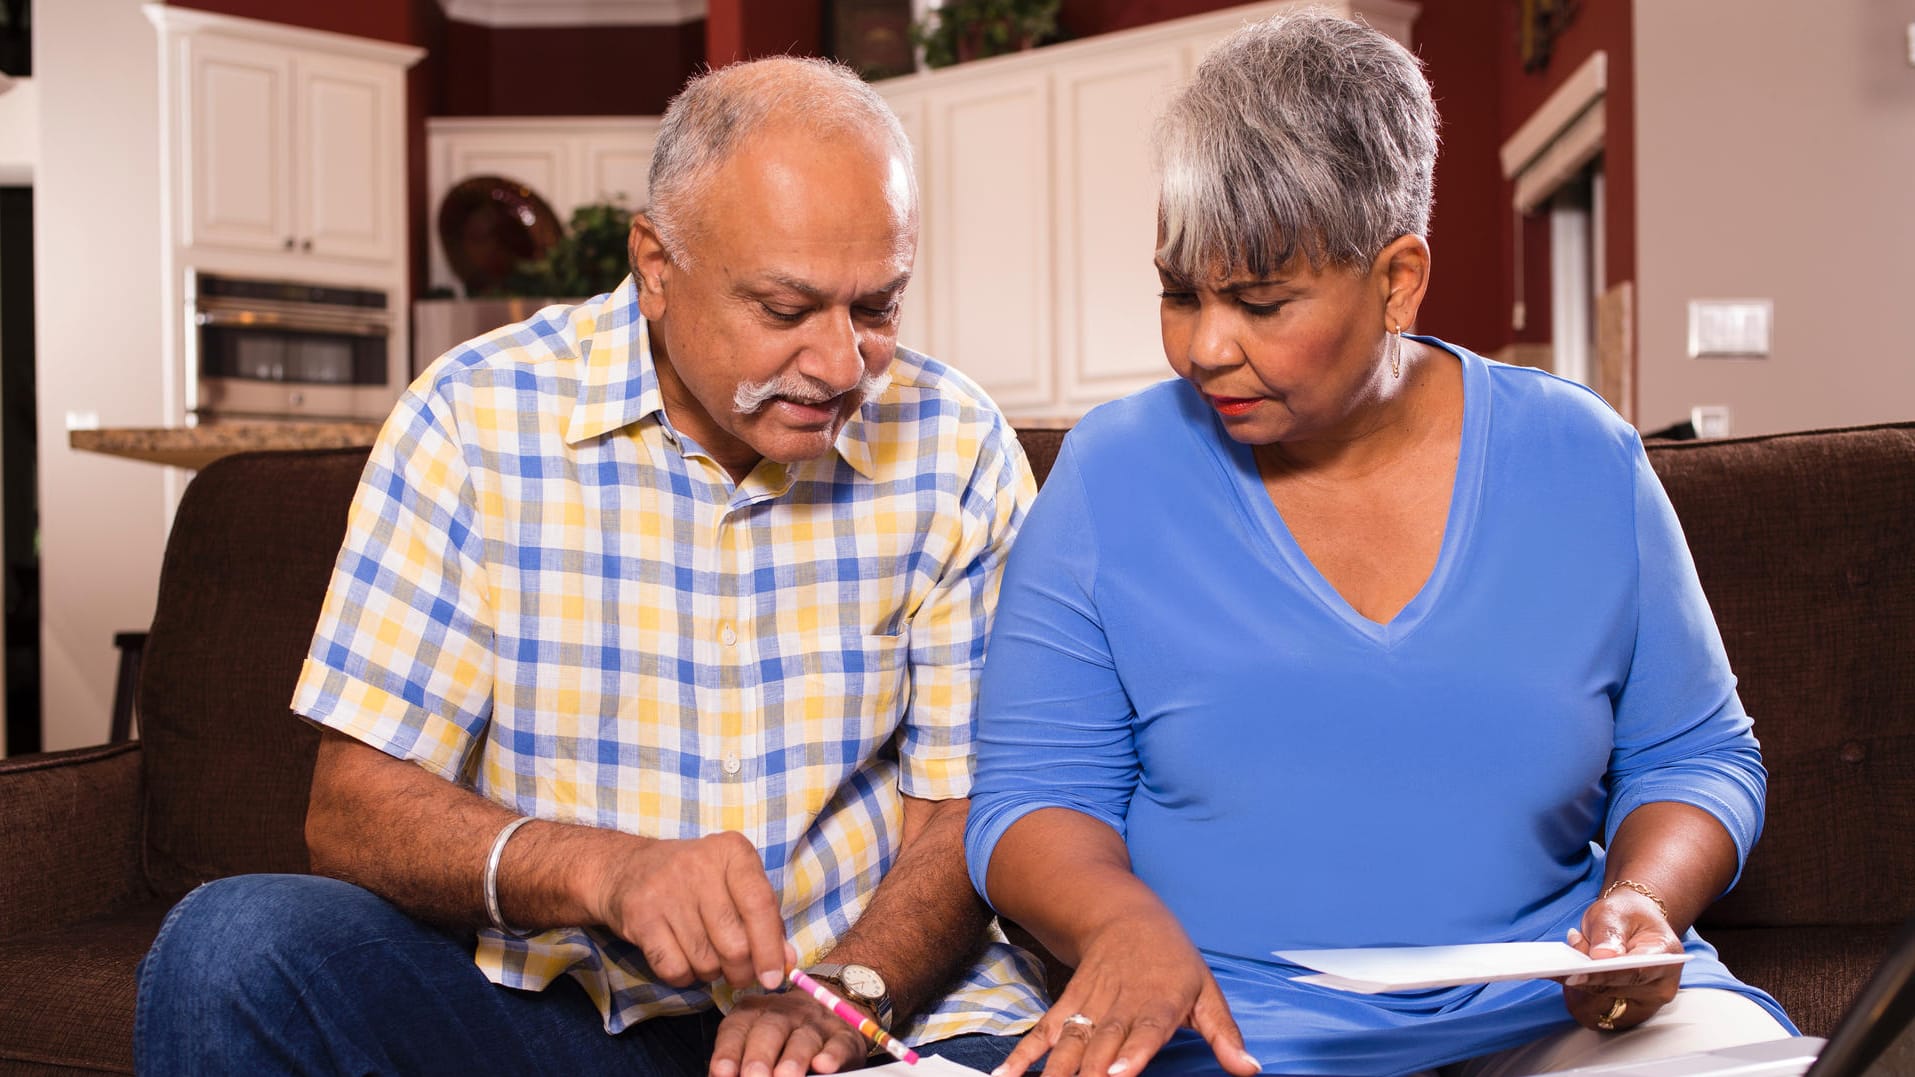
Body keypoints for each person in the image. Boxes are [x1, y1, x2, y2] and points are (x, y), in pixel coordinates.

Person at [134, 56, 1046, 1076]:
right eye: (786, 311)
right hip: (553, 1014)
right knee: (233, 947)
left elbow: (964, 814)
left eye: (876, 307)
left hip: (876, 1018)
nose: (840, 366)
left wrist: (847, 995)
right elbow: (353, 810)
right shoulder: (471, 418)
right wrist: (604, 874)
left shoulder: (955, 446)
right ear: (657, 265)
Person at [963, 13, 1796, 1077]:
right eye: (1180, 293)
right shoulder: (1109, 475)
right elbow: (1032, 799)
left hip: (1560, 1015)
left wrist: (1639, 902)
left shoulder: (1582, 457)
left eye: (1261, 303)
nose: (1205, 346)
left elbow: (1696, 755)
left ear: (1397, 279)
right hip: (1229, 1028)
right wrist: (1121, 927)